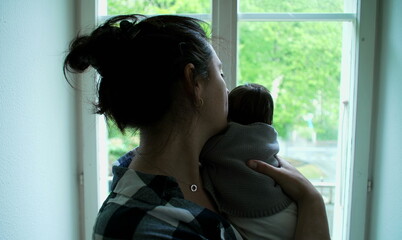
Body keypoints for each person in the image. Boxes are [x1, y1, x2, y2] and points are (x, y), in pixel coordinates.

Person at [64, 14, 330, 240]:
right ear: (194, 82)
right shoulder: (145, 228)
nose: (227, 88)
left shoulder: (213, 173)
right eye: (220, 74)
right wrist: (312, 203)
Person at [201, 83, 296, 239]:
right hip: (284, 207)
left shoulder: (218, 143)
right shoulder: (269, 138)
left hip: (249, 215)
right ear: (268, 118)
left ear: (228, 111)